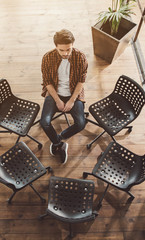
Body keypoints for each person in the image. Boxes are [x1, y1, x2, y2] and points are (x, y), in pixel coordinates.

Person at [40, 29, 88, 164]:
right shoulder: (47, 58)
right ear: (56, 46)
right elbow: (47, 83)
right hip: (55, 93)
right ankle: (58, 144)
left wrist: (72, 101)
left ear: (73, 45)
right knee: (44, 122)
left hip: (74, 93)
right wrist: (58, 100)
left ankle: (58, 140)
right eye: (61, 50)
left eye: (68, 49)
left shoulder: (81, 57)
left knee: (80, 124)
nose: (65, 53)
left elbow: (81, 81)